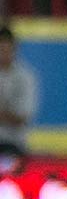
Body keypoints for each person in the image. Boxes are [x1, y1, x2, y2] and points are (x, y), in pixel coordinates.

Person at [0, 26, 38, 158]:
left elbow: (22, 117)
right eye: (1, 49)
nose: (4, 53)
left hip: (14, 144)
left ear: (15, 49)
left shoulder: (25, 77)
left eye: (7, 49)